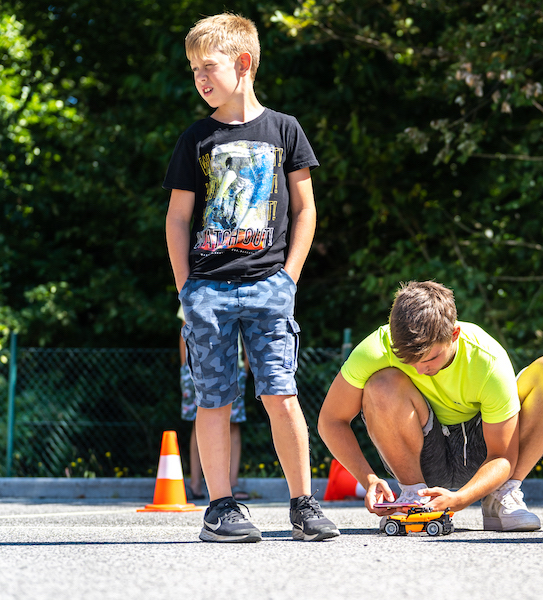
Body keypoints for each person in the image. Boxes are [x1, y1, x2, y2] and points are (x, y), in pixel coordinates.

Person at [164, 12, 338, 543]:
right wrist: (187, 288)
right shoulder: (196, 138)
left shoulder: (284, 129)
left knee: (281, 394)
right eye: (193, 68)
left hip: (269, 286)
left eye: (208, 66)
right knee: (213, 400)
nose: (199, 77)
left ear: (243, 63)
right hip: (208, 290)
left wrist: (289, 278)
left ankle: (303, 505)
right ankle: (220, 509)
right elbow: (177, 218)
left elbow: (306, 210)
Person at [318, 281, 543, 531]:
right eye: (408, 360)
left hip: (483, 456)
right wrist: (369, 479)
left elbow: (502, 456)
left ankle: (501, 494)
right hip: (422, 457)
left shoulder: (488, 359)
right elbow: (331, 420)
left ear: (454, 334)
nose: (419, 370)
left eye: (430, 358)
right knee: (382, 384)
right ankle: (413, 495)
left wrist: (461, 499)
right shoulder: (377, 347)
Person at [177, 306, 249, 502]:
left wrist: (246, 365)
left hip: (234, 366)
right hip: (200, 365)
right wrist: (185, 367)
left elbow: (246, 327)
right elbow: (185, 328)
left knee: (233, 424)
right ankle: (195, 484)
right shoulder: (194, 290)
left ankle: (232, 483)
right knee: (199, 423)